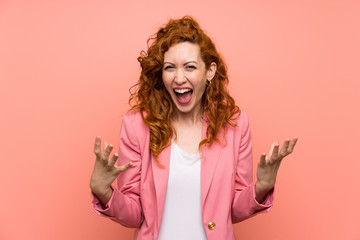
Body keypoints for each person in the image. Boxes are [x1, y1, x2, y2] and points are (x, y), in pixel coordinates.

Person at [90, 16, 297, 240]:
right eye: (170, 68)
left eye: (190, 67)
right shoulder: (137, 126)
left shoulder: (235, 124)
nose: (179, 78)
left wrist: (262, 187)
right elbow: (134, 214)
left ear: (209, 72)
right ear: (161, 74)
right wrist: (103, 190)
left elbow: (233, 211)